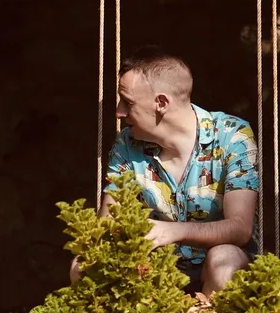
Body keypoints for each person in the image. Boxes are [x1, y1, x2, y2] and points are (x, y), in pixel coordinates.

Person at [100, 48, 259, 296]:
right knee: (85, 265)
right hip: (154, 270)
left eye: (128, 102)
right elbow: (106, 225)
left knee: (224, 259)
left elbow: (240, 228)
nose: (119, 112)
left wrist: (174, 231)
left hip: (215, 268)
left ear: (161, 103)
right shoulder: (126, 144)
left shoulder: (232, 136)